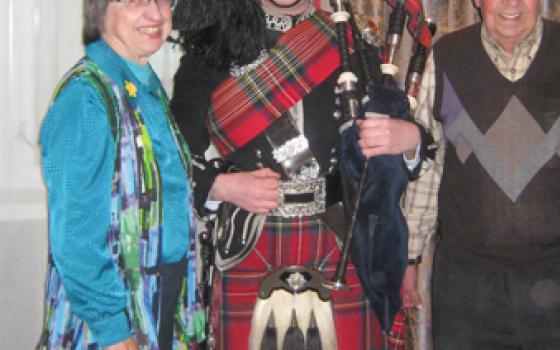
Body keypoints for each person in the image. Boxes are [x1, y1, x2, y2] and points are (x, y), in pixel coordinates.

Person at [170, 0, 426, 348]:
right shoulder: (214, 43)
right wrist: (221, 186)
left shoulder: (350, 39)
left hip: (339, 240)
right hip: (251, 240)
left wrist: (410, 139)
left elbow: (398, 143)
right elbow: (172, 158)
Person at [399, 0, 560, 348]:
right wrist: (410, 255)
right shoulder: (446, 57)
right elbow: (429, 167)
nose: (511, 3)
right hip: (467, 288)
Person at [37, 0, 204, 349]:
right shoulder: (86, 97)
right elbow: (75, 237)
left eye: (162, 0)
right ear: (100, 10)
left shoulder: (144, 83)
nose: (156, 14)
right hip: (111, 319)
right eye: (135, 1)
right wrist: (112, 329)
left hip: (163, 295)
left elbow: (168, 192)